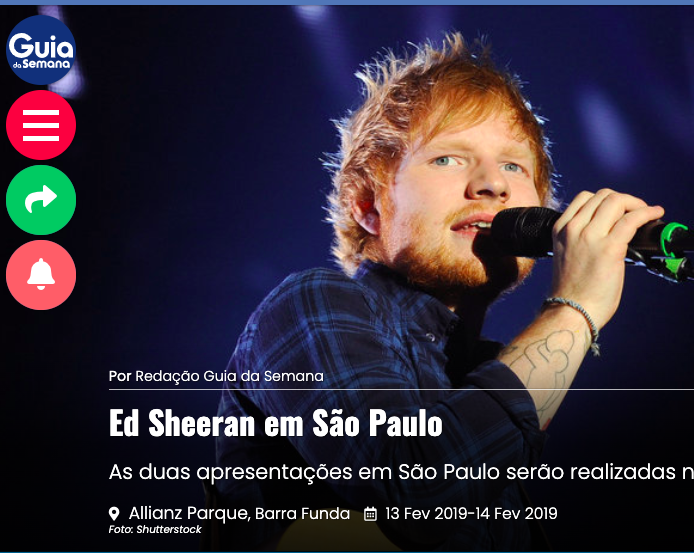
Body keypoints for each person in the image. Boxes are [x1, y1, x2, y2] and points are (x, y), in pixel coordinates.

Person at [212, 33, 663, 550]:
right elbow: (415, 493)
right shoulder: (310, 304)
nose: (492, 185)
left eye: (514, 166)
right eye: (448, 158)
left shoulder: (490, 375)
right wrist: (574, 310)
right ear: (368, 205)